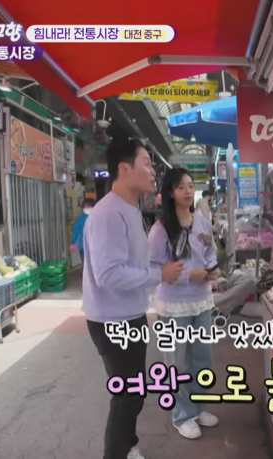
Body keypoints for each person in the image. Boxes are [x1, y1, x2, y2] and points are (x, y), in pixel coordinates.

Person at [82, 138, 183, 459]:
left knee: (133, 393)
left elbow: (131, 264)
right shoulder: (108, 214)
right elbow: (108, 274)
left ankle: (128, 445)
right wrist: (159, 275)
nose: (153, 171)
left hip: (130, 315)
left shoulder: (129, 210)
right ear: (124, 169)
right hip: (113, 321)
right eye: (147, 163)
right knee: (127, 397)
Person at [147, 168, 220, 440]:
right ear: (170, 192)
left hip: (202, 302)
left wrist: (212, 269)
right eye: (181, 187)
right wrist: (190, 274)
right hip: (174, 306)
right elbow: (154, 268)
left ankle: (199, 408)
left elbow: (209, 251)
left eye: (191, 186)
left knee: (202, 359)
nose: (188, 191)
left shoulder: (202, 222)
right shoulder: (160, 229)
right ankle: (182, 415)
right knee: (177, 364)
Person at [70, 199, 94, 265]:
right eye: (85, 207)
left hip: (95, 246)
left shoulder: (98, 217)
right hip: (83, 246)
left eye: (89, 206)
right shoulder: (79, 219)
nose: (87, 208)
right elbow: (75, 232)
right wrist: (72, 243)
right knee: (85, 264)